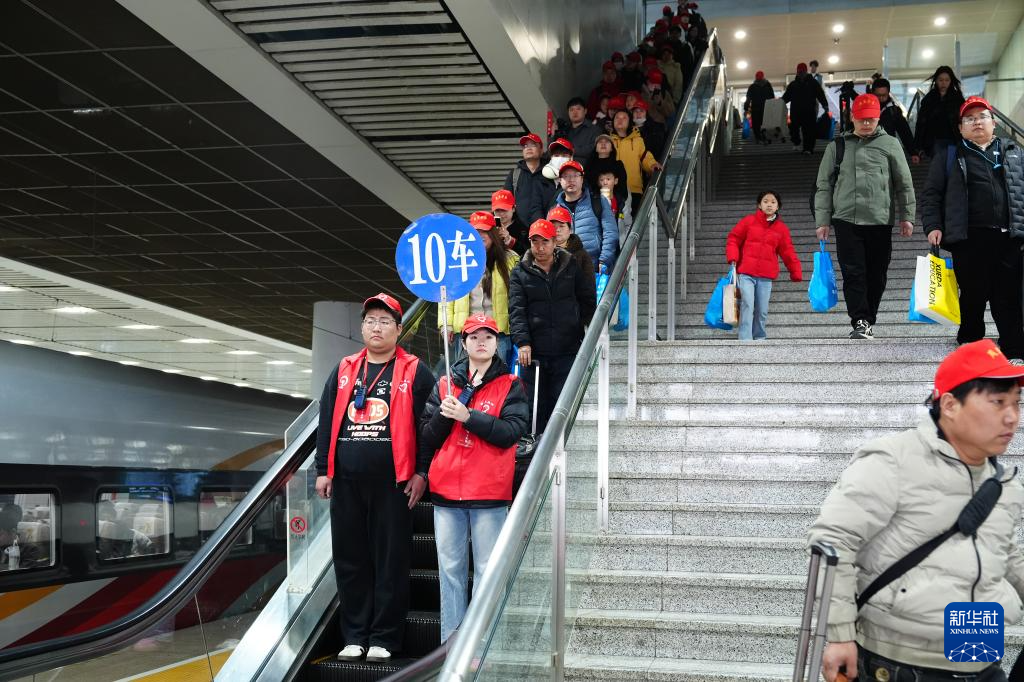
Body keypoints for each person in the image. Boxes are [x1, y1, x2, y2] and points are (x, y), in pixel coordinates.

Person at [809, 339, 1024, 682]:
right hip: (902, 664)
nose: (1012, 416)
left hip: (980, 655)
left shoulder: (1003, 482)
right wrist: (839, 634)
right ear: (950, 405)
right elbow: (834, 541)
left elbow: (1006, 553)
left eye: (1016, 402)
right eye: (998, 402)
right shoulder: (894, 460)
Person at [315, 293, 435, 664]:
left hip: (394, 483)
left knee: (390, 561)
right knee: (350, 560)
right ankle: (354, 636)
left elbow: (429, 427)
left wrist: (422, 471)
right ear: (363, 328)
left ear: (399, 329)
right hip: (347, 483)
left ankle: (384, 636)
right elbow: (326, 420)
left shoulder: (415, 371)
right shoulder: (345, 369)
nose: (376, 327)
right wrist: (323, 470)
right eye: (370, 321)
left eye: (384, 321)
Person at [419, 314, 528, 643]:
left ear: (497, 343)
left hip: (489, 494)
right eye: (474, 337)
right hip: (446, 492)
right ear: (463, 344)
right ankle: (451, 649)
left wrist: (469, 417)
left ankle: (480, 647)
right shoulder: (444, 385)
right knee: (450, 572)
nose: (482, 342)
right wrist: (445, 416)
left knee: (487, 572)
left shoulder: (511, 384)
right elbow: (427, 436)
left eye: (488, 337)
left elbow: (510, 433)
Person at [922, 96, 1024, 360]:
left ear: (993, 123)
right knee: (972, 295)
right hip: (969, 238)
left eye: (982, 117)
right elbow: (931, 194)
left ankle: (1014, 348)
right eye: (969, 119)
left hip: (1009, 238)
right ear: (960, 128)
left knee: (1008, 296)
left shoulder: (1014, 152)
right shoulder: (950, 155)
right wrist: (933, 225)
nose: (977, 122)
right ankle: (970, 342)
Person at [814, 94, 916, 340]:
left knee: (877, 274)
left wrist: (907, 216)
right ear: (852, 118)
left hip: (880, 220)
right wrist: (823, 220)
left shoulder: (890, 144)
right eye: (862, 119)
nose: (867, 124)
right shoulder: (837, 146)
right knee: (853, 272)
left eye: (871, 119)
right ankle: (860, 320)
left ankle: (869, 317)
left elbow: (904, 183)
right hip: (846, 219)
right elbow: (824, 185)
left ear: (878, 118)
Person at [509, 220, 596, 435]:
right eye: (535, 242)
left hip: (567, 348)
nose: (540, 248)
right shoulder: (519, 272)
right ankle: (535, 449)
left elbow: (587, 299)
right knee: (534, 406)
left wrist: (585, 331)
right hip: (534, 352)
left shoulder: (571, 265)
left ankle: (560, 447)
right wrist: (523, 342)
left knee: (562, 404)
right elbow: (516, 310)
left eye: (545, 242)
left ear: (555, 242)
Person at [439, 211, 519, 367]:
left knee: (498, 375)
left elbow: (518, 297)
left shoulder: (510, 259)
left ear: (493, 234)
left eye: (485, 231)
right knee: (464, 375)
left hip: (498, 332)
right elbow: (446, 294)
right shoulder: (457, 259)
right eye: (476, 231)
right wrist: (445, 324)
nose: (480, 235)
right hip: (466, 331)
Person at [725, 191, 801, 340]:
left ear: (778, 206)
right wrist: (733, 257)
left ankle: (759, 338)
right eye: (765, 201)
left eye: (773, 202)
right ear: (759, 205)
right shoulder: (748, 221)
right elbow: (733, 238)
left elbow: (788, 251)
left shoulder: (781, 229)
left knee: (762, 310)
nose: (769, 205)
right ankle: (745, 340)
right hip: (746, 273)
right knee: (747, 304)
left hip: (766, 276)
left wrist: (795, 271)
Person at [551, 160, 618, 273]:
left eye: (575, 175)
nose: (571, 180)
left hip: (595, 267)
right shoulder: (554, 211)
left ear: (582, 179)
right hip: (566, 271)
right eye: (566, 176)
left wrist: (604, 260)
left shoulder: (598, 201)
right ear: (560, 181)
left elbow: (611, 232)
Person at [611, 110, 662, 217]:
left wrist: (652, 165)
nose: (620, 120)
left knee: (633, 221)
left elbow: (645, 157)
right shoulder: (607, 140)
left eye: (624, 118)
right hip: (612, 189)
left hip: (634, 188)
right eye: (617, 118)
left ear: (630, 122)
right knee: (615, 220)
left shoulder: (638, 140)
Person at [914, 65, 965, 159]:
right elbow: (921, 123)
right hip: (934, 141)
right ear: (936, 81)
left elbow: (963, 120)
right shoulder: (929, 99)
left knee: (950, 166)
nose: (943, 83)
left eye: (947, 80)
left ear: (951, 81)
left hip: (953, 140)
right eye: (940, 80)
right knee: (938, 165)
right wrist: (918, 146)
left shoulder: (957, 99)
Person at [783, 62, 828, 154]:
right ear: (797, 72)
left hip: (809, 111)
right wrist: (778, 103)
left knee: (808, 130)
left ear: (806, 72)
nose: (801, 74)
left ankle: (808, 149)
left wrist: (825, 105)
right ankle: (796, 142)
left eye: (802, 72)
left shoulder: (813, 83)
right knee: (793, 128)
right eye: (799, 72)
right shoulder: (793, 85)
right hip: (795, 111)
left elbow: (820, 94)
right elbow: (786, 97)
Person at [503, 133, 546, 228]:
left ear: (541, 150)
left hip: (544, 230)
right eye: (525, 146)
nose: (528, 148)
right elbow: (503, 204)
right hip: (518, 230)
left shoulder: (549, 174)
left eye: (533, 145)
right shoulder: (514, 175)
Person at [585, 133, 630, 223]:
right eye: (600, 142)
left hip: (615, 204)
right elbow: (587, 186)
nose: (603, 143)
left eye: (607, 142)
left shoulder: (618, 165)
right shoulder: (589, 165)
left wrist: (614, 201)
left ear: (612, 148)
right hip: (592, 204)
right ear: (596, 148)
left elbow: (622, 188)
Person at [548, 205, 596, 286]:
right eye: (553, 226)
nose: (557, 230)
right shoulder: (540, 252)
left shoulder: (582, 256)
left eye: (561, 226)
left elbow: (588, 287)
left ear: (570, 230)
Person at [870, 78, 916, 158]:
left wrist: (913, 152)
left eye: (884, 95)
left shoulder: (894, 111)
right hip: (869, 150)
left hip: (887, 151)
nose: (881, 98)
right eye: (878, 95)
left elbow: (904, 132)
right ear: (873, 93)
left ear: (888, 93)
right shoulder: (866, 109)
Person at [553, 96, 601, 161]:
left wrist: (572, 150)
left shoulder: (594, 129)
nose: (575, 112)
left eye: (578, 109)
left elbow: (594, 149)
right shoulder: (564, 130)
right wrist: (553, 134)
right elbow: (553, 151)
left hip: (584, 166)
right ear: (568, 113)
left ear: (585, 111)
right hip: (563, 165)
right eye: (571, 110)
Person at [1, 504, 45, 571]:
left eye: (0, 534)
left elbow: (18, 575)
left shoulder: (30, 550)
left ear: (13, 532)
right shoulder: (2, 545)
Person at [490, 188, 527, 258]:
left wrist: (509, 240)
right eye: (497, 210)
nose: (501, 214)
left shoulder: (523, 230)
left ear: (513, 209)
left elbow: (527, 254)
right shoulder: (488, 227)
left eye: (504, 210)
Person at [744, 70, 775, 145]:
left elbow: (748, 98)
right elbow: (772, 96)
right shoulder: (767, 86)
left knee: (757, 124)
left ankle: (759, 138)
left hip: (758, 108)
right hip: (763, 108)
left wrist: (746, 107)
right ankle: (761, 137)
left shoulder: (753, 87)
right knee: (761, 123)